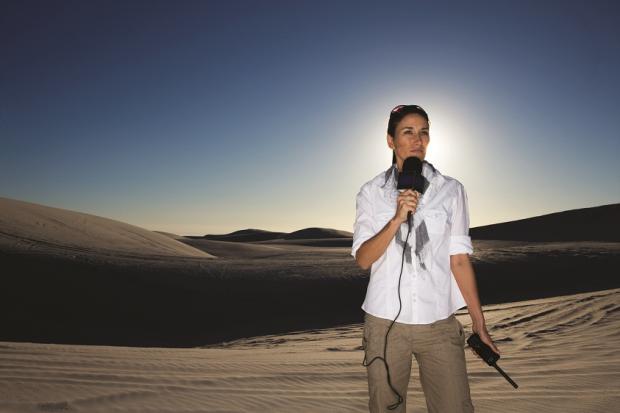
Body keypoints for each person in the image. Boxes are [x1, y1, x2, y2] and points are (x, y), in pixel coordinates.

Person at [352, 104, 500, 413]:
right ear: (391, 140)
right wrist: (396, 219)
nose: (418, 139)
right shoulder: (371, 192)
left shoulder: (451, 190)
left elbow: (459, 260)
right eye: (408, 132)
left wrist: (479, 322)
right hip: (385, 325)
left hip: (439, 324)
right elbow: (364, 259)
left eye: (424, 132)